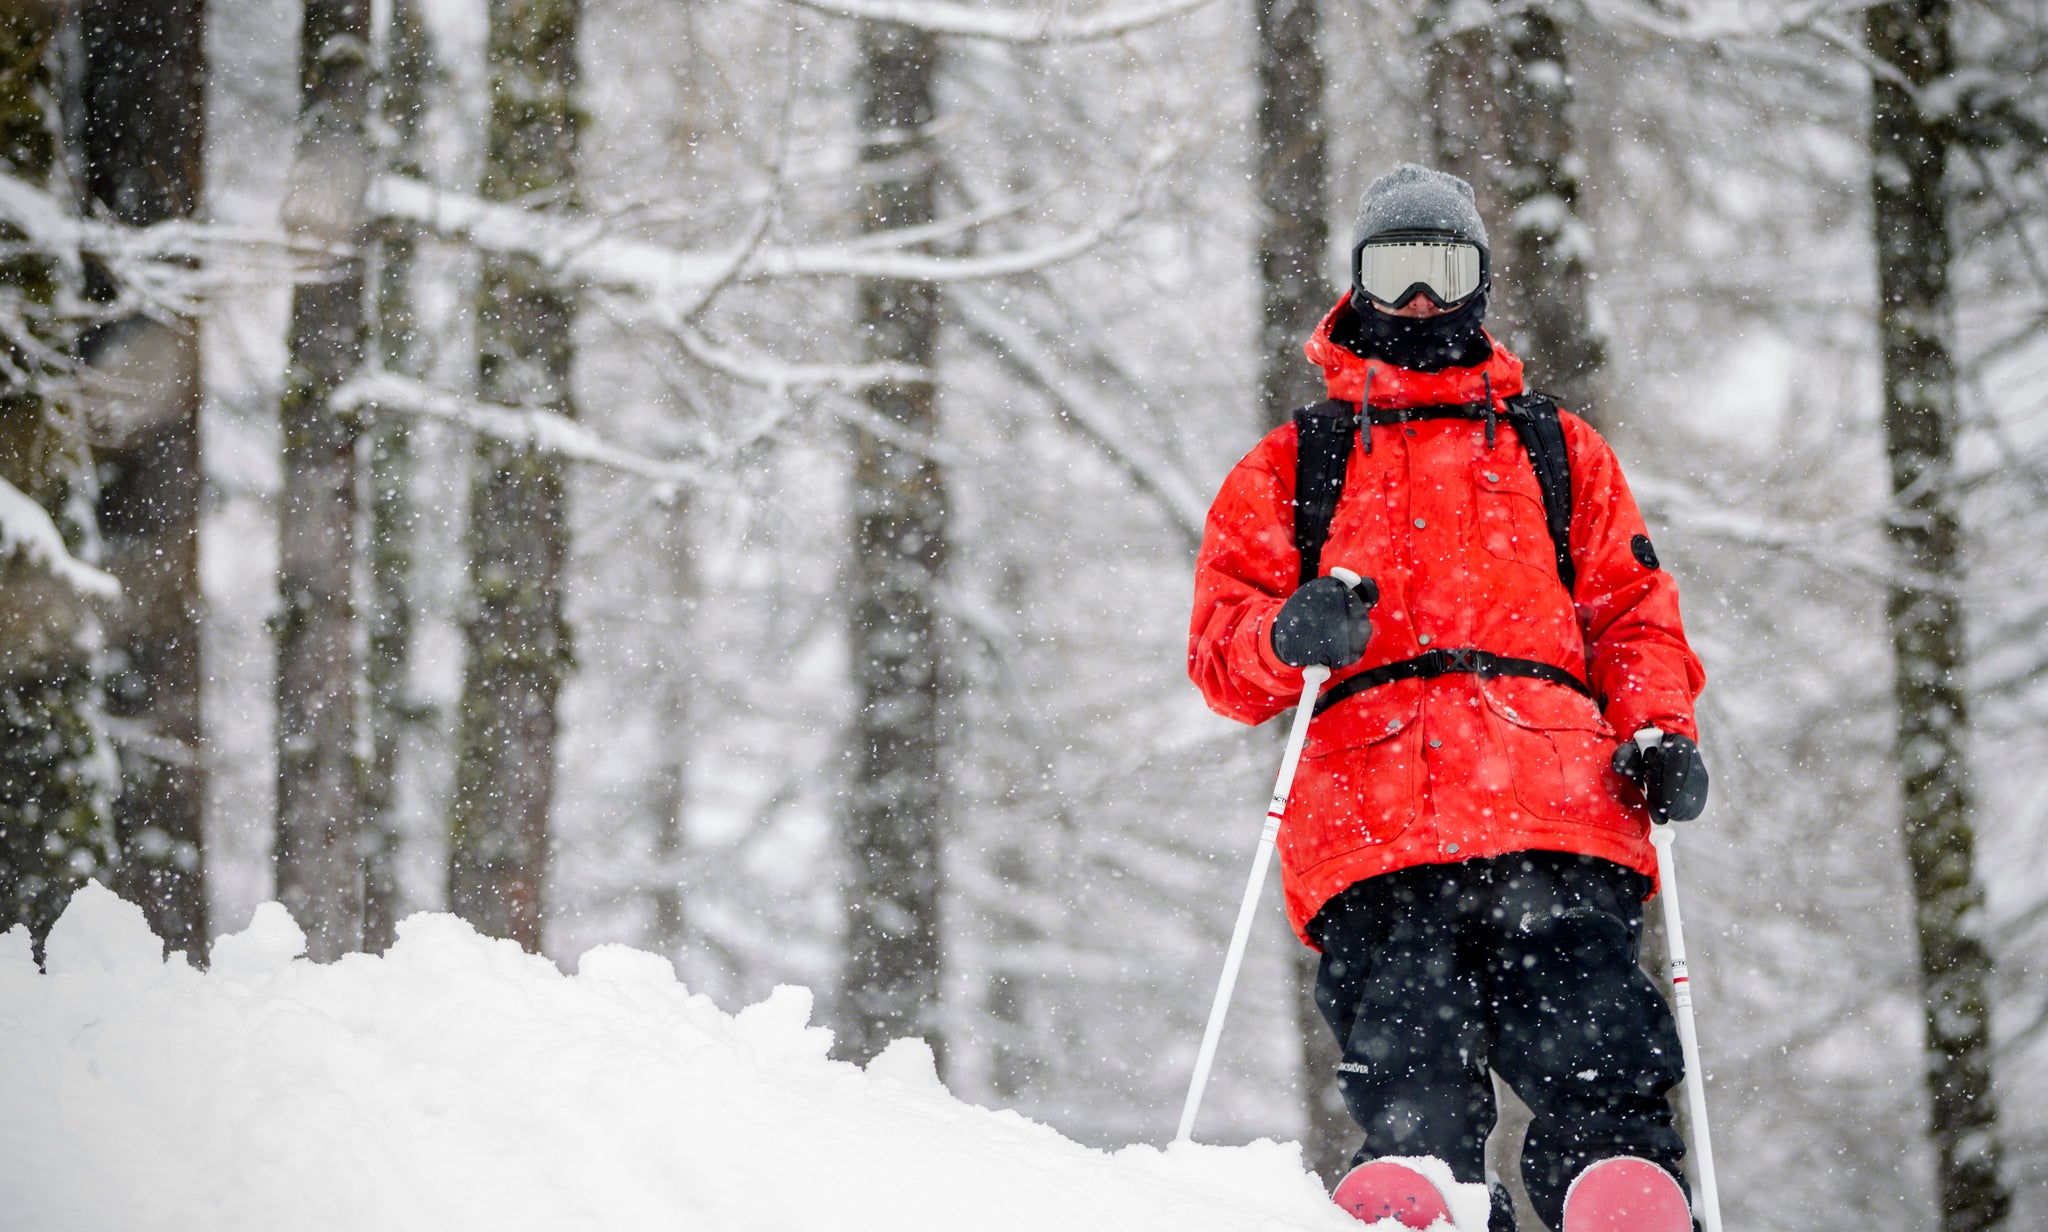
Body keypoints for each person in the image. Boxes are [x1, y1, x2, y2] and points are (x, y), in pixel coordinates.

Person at [1187, 164, 1710, 1232]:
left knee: (1594, 1043)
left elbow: (1630, 612)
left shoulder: (1553, 449)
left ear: (1478, 283)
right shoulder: (1298, 464)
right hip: (1375, 829)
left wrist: (1656, 727)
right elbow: (1219, 656)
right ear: (1356, 286)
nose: (1419, 302)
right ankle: (1431, 1190)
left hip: (1555, 815)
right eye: (1396, 272)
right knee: (1410, 1064)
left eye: (1442, 270)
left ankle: (1616, 1189)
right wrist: (1285, 636)